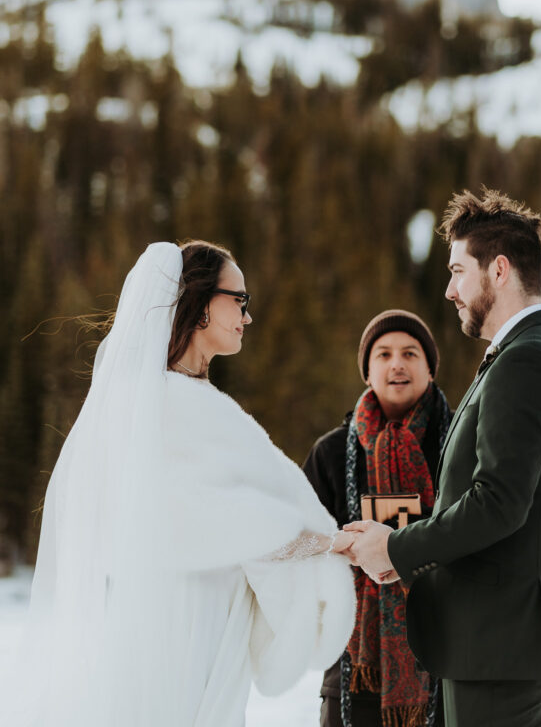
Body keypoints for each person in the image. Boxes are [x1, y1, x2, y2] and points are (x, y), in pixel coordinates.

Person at [1, 240, 355, 727]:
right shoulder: (162, 405)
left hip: (206, 616)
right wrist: (327, 543)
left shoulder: (191, 399)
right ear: (201, 302)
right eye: (240, 300)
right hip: (181, 620)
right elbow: (218, 521)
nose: (247, 317)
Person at [344, 189, 541, 727]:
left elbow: (498, 503)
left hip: (500, 646)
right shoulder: (529, 352)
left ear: (498, 270)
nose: (450, 289)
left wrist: (398, 547)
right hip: (495, 644)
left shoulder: (528, 360)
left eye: (458, 271)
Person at [304, 310, 452, 727]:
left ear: (430, 368)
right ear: (368, 371)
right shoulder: (331, 453)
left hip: (445, 653)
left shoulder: (460, 442)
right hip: (355, 660)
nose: (397, 364)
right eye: (383, 354)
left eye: (410, 353)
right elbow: (301, 539)